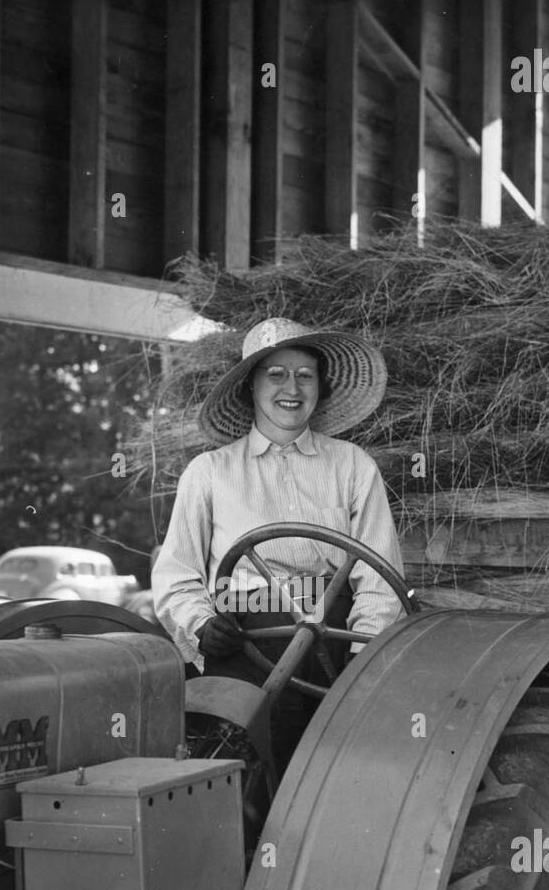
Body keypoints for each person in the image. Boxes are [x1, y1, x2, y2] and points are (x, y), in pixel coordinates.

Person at [152, 317, 405, 772]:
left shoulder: (352, 465)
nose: (292, 387)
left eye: (305, 375)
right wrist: (203, 625)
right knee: (232, 764)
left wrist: (360, 657)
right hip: (243, 638)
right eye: (276, 374)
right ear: (251, 386)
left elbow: (379, 577)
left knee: (328, 769)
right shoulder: (209, 472)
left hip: (332, 634)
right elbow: (176, 575)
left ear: (320, 389)